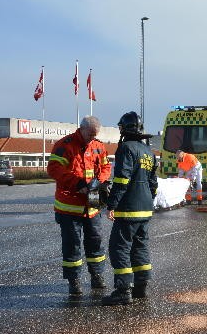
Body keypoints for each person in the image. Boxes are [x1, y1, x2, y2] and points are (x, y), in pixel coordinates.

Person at [47, 115, 111, 295]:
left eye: (95, 134)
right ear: (81, 129)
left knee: (95, 242)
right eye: (90, 134)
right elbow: (54, 169)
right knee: (72, 245)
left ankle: (97, 276)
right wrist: (77, 184)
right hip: (69, 205)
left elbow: (106, 168)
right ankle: (73, 281)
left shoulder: (98, 146)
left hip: (92, 203)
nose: (92, 138)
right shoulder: (64, 145)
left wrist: (98, 182)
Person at [102, 112, 158, 306]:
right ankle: (141, 288)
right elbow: (153, 183)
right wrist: (148, 201)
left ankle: (123, 291)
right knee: (140, 246)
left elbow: (121, 180)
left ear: (125, 128)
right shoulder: (148, 151)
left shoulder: (125, 149)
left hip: (128, 209)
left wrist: (112, 204)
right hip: (145, 209)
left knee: (120, 248)